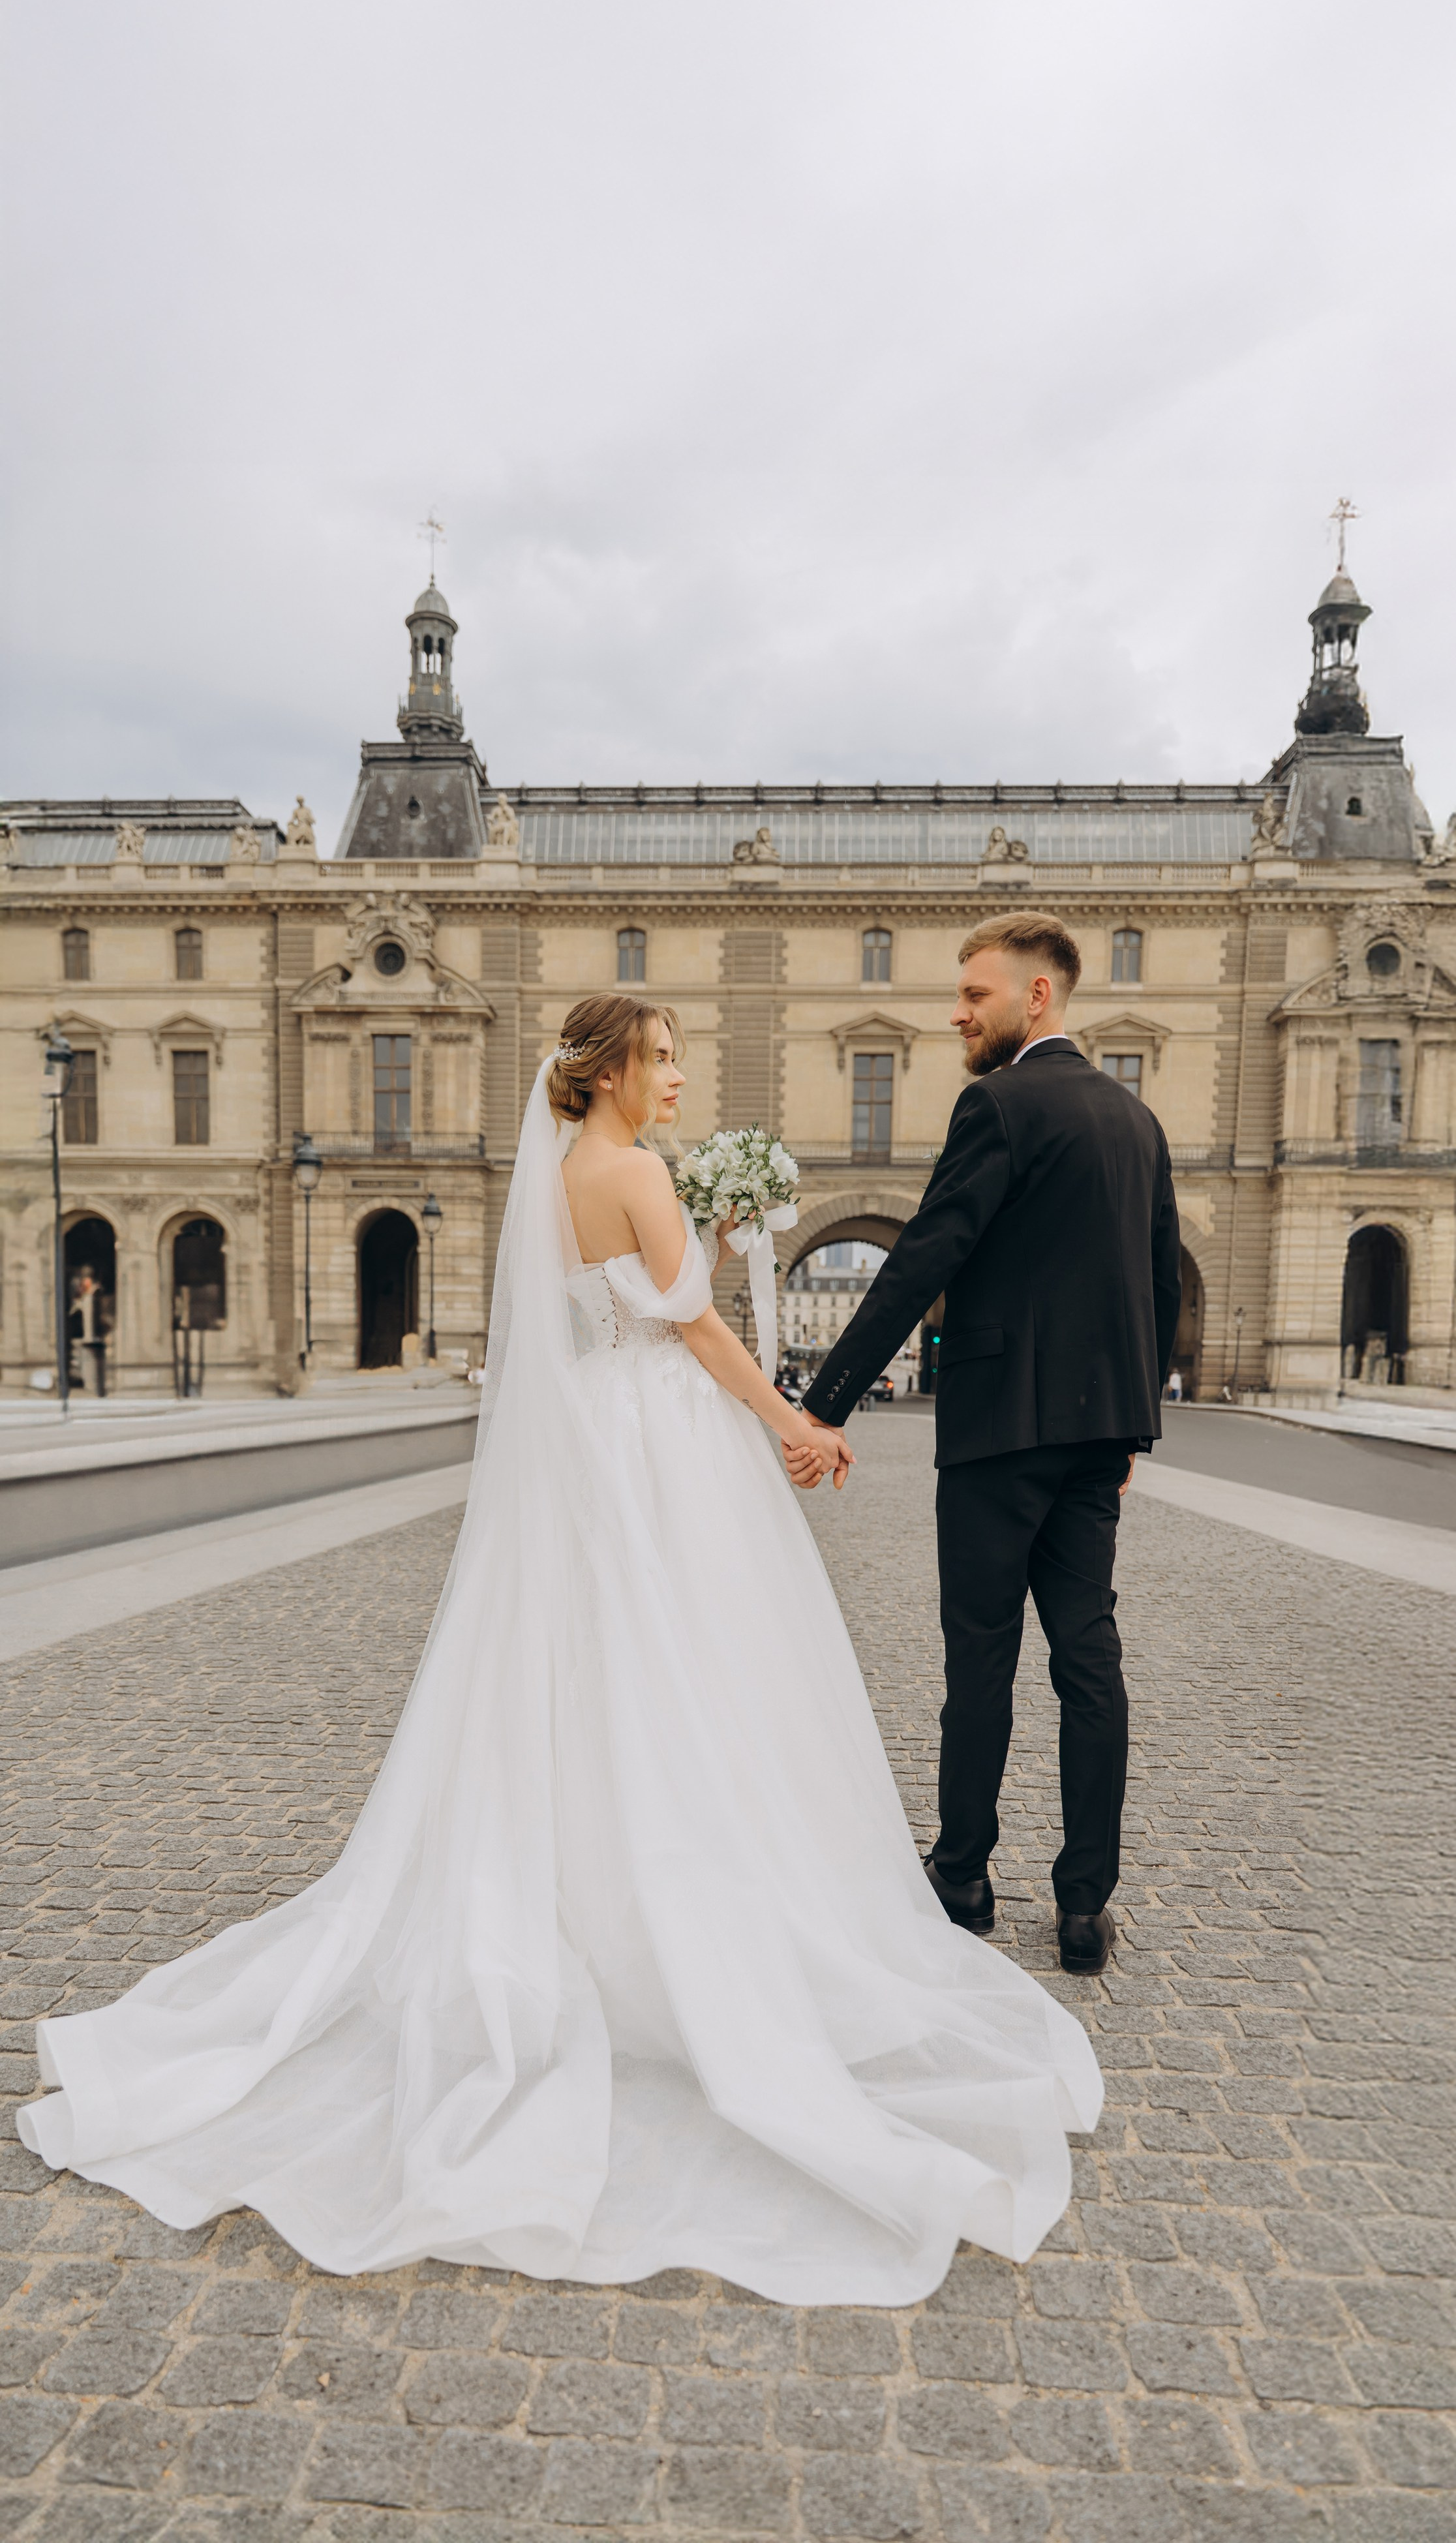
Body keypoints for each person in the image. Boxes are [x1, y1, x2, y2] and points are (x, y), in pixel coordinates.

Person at [20, 992, 1100, 2303]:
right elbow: (695, 1324)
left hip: (595, 1434)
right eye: (661, 1057)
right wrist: (793, 1424)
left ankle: (586, 1892)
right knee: (699, 1671)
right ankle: (688, 1911)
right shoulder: (635, 1167)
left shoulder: (563, 1182)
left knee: (588, 1665)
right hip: (667, 1440)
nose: (677, 1077)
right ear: (605, 1074)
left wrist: (701, 1241)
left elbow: (620, 1307)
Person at [801, 915, 1181, 1980]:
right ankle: (1084, 1905)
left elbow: (925, 1255)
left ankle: (963, 1877)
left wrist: (827, 1401)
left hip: (996, 1429)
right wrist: (1133, 1417)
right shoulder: (1136, 1122)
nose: (958, 1013)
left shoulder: (998, 1104)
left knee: (983, 1657)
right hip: (1098, 1433)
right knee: (1089, 1655)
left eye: (975, 995)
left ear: (1038, 999)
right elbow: (1158, 1284)